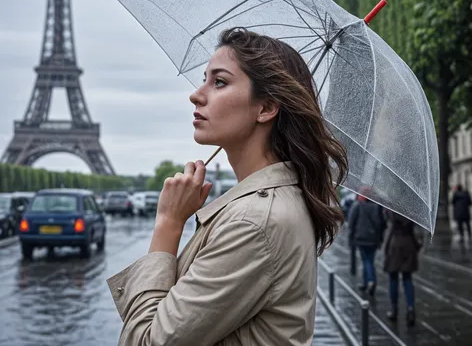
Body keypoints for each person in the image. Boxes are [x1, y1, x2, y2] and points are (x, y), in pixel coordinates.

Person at [106, 28, 348, 345]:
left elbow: (148, 341)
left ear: (265, 108)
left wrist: (168, 223)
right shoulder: (272, 206)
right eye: (205, 78)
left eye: (219, 82)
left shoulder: (254, 222)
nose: (196, 94)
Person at [383, 212, 422, 327]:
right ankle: (410, 310)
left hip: (395, 244)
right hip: (408, 244)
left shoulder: (392, 209)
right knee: (407, 278)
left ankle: (394, 310)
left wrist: (386, 247)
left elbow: (388, 226)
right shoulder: (412, 210)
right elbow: (416, 232)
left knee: (393, 278)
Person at [348, 190, 386, 296]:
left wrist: (351, 237)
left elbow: (351, 222)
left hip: (361, 238)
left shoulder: (357, 205)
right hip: (373, 238)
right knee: (370, 260)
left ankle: (370, 280)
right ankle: (366, 282)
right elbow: (381, 223)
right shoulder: (377, 207)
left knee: (366, 260)